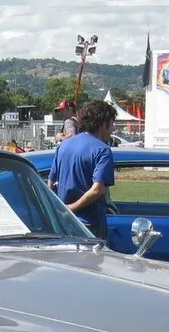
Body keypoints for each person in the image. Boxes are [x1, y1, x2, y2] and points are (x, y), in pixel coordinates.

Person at [46, 99, 117, 241]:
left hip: (63, 223)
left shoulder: (63, 146)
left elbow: (50, 183)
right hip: (90, 223)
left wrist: (59, 209)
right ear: (103, 123)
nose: (112, 130)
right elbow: (97, 190)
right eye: (111, 124)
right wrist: (71, 208)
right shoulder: (102, 150)